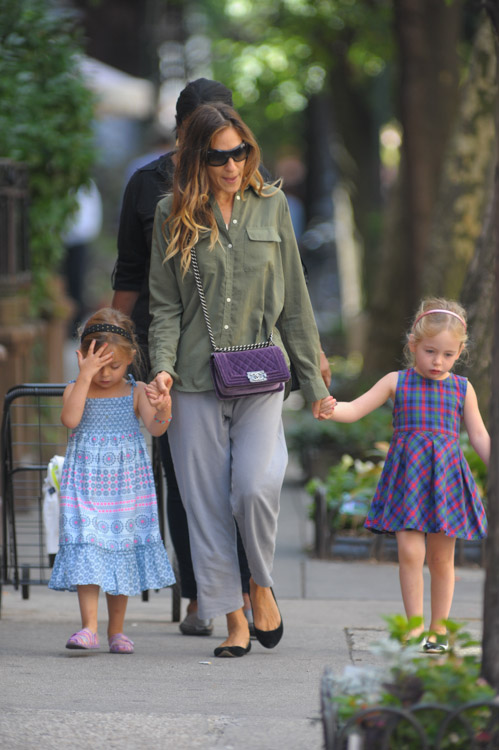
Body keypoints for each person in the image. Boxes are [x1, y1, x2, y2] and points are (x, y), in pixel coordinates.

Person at [148, 101, 334, 659]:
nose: (232, 165)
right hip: (194, 378)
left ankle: (259, 581)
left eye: (240, 152)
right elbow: (163, 307)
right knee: (204, 505)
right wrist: (161, 367)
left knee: (256, 486)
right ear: (195, 159)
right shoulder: (171, 212)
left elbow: (295, 301)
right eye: (218, 156)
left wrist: (317, 385)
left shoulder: (272, 205)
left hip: (261, 372)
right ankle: (232, 617)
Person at [325, 298, 489, 653]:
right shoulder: (396, 382)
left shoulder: (462, 388)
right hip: (409, 480)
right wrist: (328, 408)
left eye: (448, 354)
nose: (438, 361)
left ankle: (438, 630)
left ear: (460, 351)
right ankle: (415, 627)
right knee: (410, 553)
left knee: (443, 558)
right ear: (413, 345)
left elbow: (478, 435)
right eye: (430, 351)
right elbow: (353, 410)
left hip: (445, 480)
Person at [49, 308, 176, 654]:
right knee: (88, 543)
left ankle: (116, 630)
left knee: (120, 549)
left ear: (131, 358)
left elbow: (156, 428)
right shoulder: (77, 389)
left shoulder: (136, 392)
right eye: (98, 365)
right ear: (84, 358)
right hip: (86, 483)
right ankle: (88, 626)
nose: (106, 374)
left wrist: (163, 407)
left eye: (114, 366)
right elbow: (71, 419)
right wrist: (84, 377)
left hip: (126, 485)